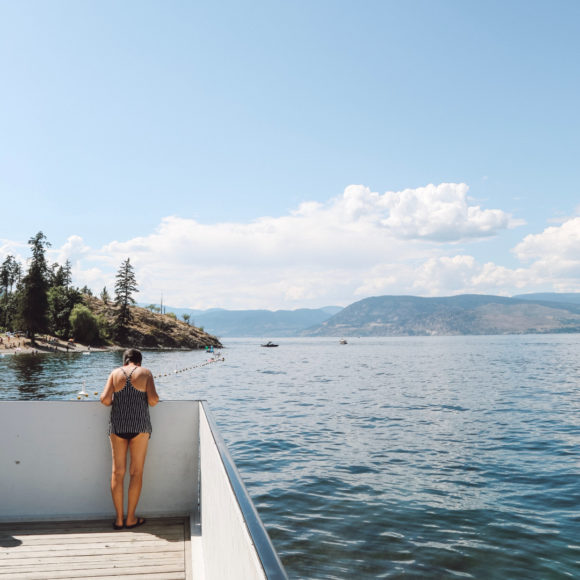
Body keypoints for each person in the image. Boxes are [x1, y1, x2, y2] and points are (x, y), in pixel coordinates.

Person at [100, 348, 159, 530]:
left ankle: (118, 519)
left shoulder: (115, 373)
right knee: (136, 472)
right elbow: (153, 400)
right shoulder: (145, 373)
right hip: (139, 426)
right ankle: (131, 518)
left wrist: (116, 401)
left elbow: (104, 399)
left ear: (125, 360)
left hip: (118, 426)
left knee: (117, 473)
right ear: (139, 361)